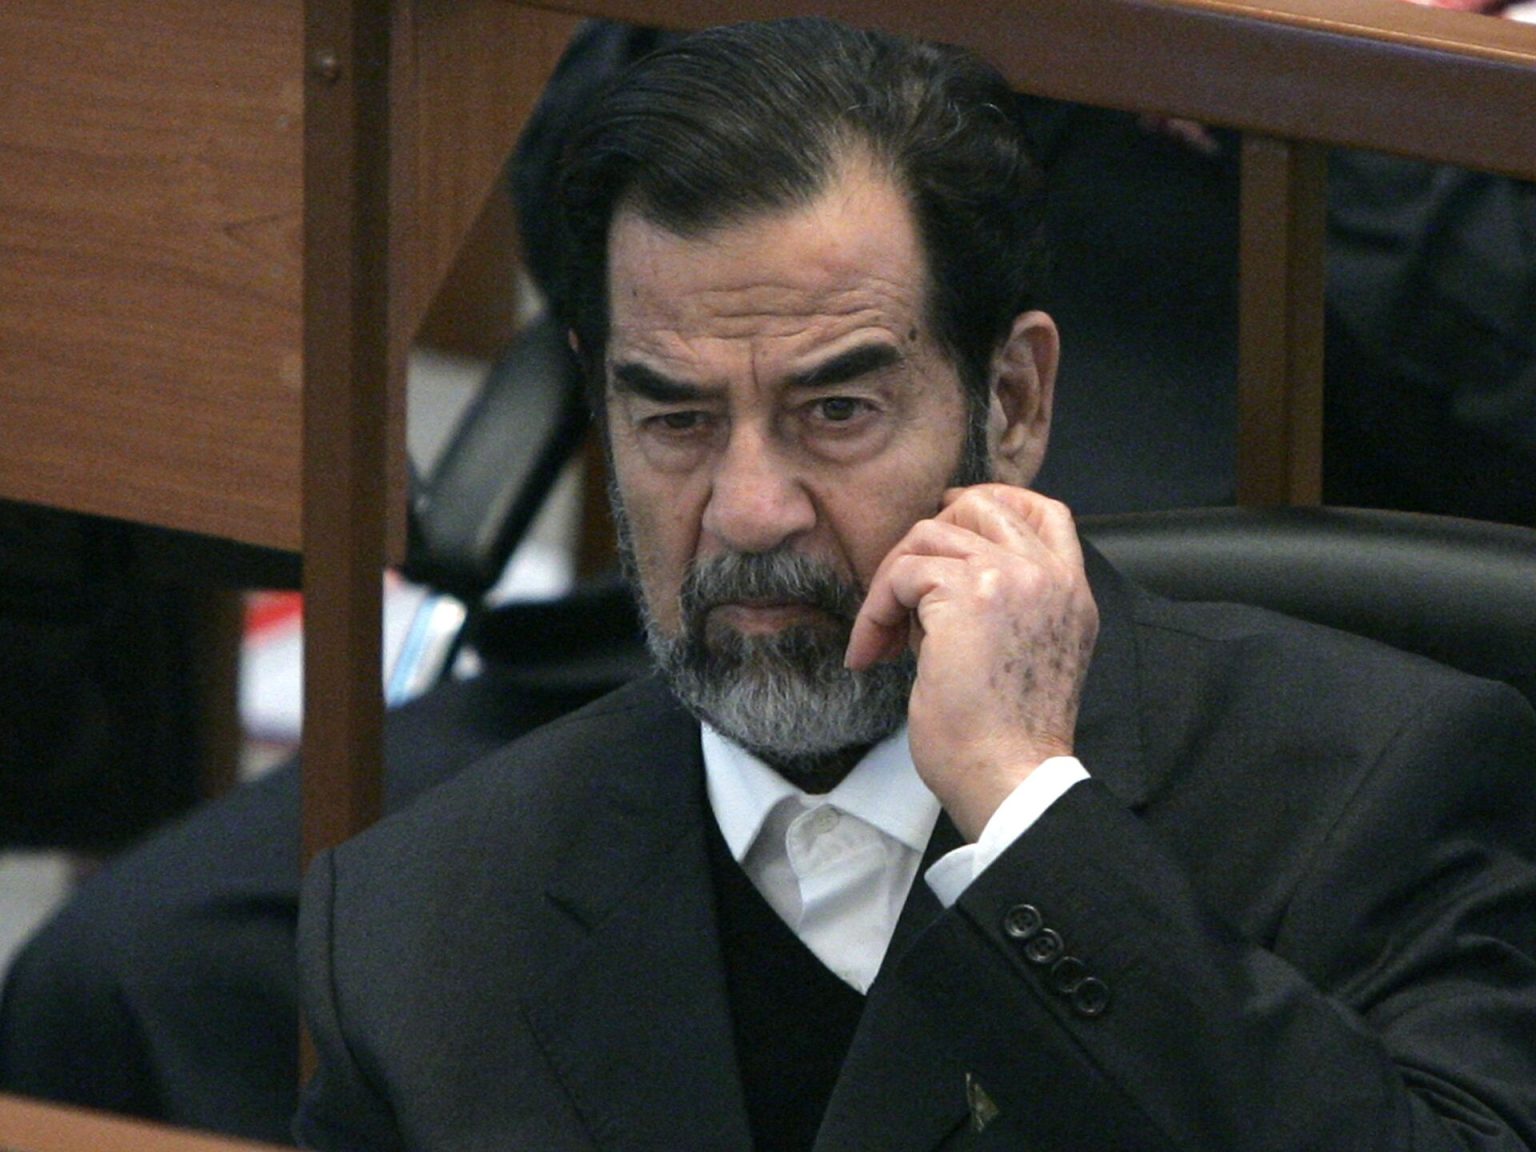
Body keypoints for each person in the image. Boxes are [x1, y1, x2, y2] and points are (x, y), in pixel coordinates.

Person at [295, 16, 1536, 1152]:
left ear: (1014, 401)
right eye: (675, 421)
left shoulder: (1375, 794)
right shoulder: (411, 928)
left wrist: (1029, 821)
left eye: (837, 410)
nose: (750, 511)